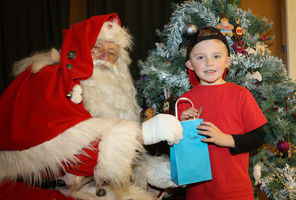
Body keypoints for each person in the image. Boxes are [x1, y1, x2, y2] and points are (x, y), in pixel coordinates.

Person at [0, 13, 183, 200]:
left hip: (87, 188)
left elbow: (111, 165)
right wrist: (143, 134)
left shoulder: (112, 92)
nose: (104, 56)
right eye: (96, 48)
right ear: (78, 49)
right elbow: (67, 155)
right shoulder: (47, 78)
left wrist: (150, 172)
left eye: (111, 53)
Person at [177, 26, 268, 200]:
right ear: (190, 64)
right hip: (198, 194)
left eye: (216, 56)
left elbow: (258, 137)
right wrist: (181, 126)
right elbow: (177, 149)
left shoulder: (241, 94)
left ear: (227, 61)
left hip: (237, 192)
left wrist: (225, 139)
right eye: (200, 57)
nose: (209, 63)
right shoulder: (184, 101)